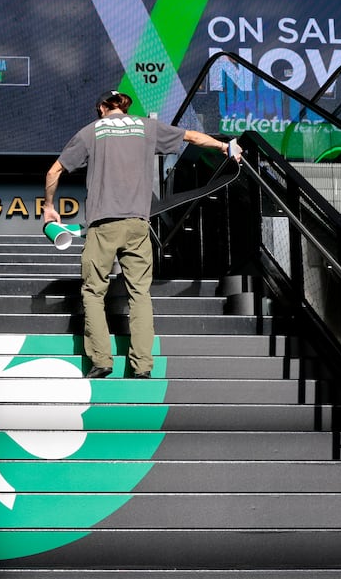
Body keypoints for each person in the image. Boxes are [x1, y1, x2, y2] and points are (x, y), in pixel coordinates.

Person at [42, 89, 233, 379]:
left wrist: (49, 207)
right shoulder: (146, 126)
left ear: (103, 107)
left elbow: (54, 172)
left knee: (94, 293)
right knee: (140, 294)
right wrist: (225, 148)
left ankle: (102, 361)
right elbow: (193, 137)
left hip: (103, 225)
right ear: (125, 107)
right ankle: (142, 366)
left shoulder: (91, 131)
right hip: (137, 224)